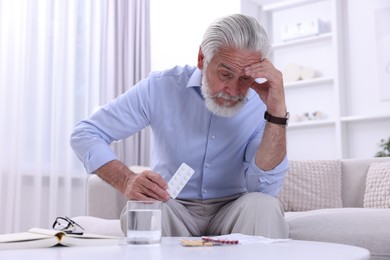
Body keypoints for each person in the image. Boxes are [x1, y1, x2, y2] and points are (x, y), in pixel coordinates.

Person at [70, 13, 290, 238]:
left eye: (245, 79)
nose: (233, 91)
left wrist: (277, 113)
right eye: (225, 74)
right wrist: (125, 179)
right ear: (202, 58)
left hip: (234, 209)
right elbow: (85, 133)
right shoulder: (160, 88)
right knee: (145, 209)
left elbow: (264, 189)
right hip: (173, 205)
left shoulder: (263, 103)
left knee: (263, 206)